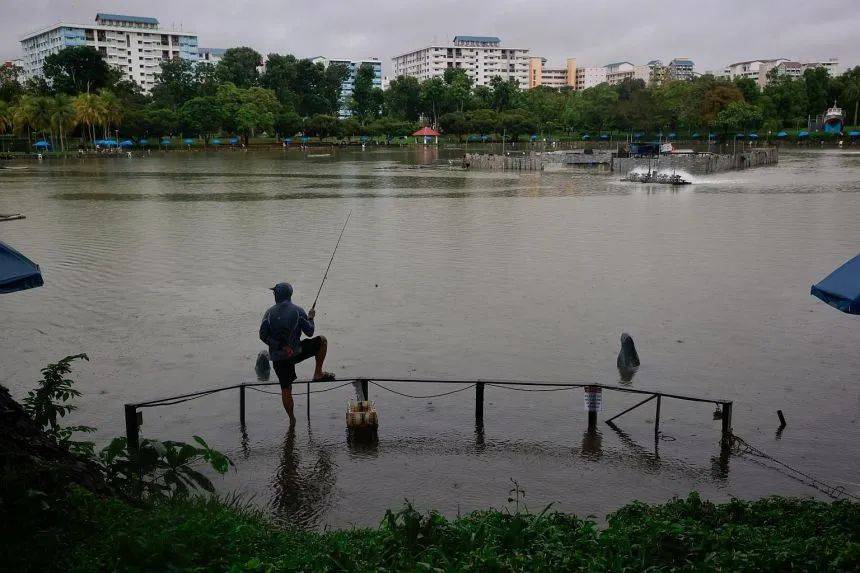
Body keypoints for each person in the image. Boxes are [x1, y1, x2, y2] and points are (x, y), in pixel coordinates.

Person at [260, 282, 335, 425]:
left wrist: (280, 346)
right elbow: (310, 332)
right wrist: (311, 317)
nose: (274, 295)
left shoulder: (268, 313)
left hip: (278, 358)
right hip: (296, 352)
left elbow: (263, 335)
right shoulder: (298, 311)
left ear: (277, 295)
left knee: (286, 388)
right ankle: (318, 373)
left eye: (275, 293)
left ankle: (292, 420)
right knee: (322, 341)